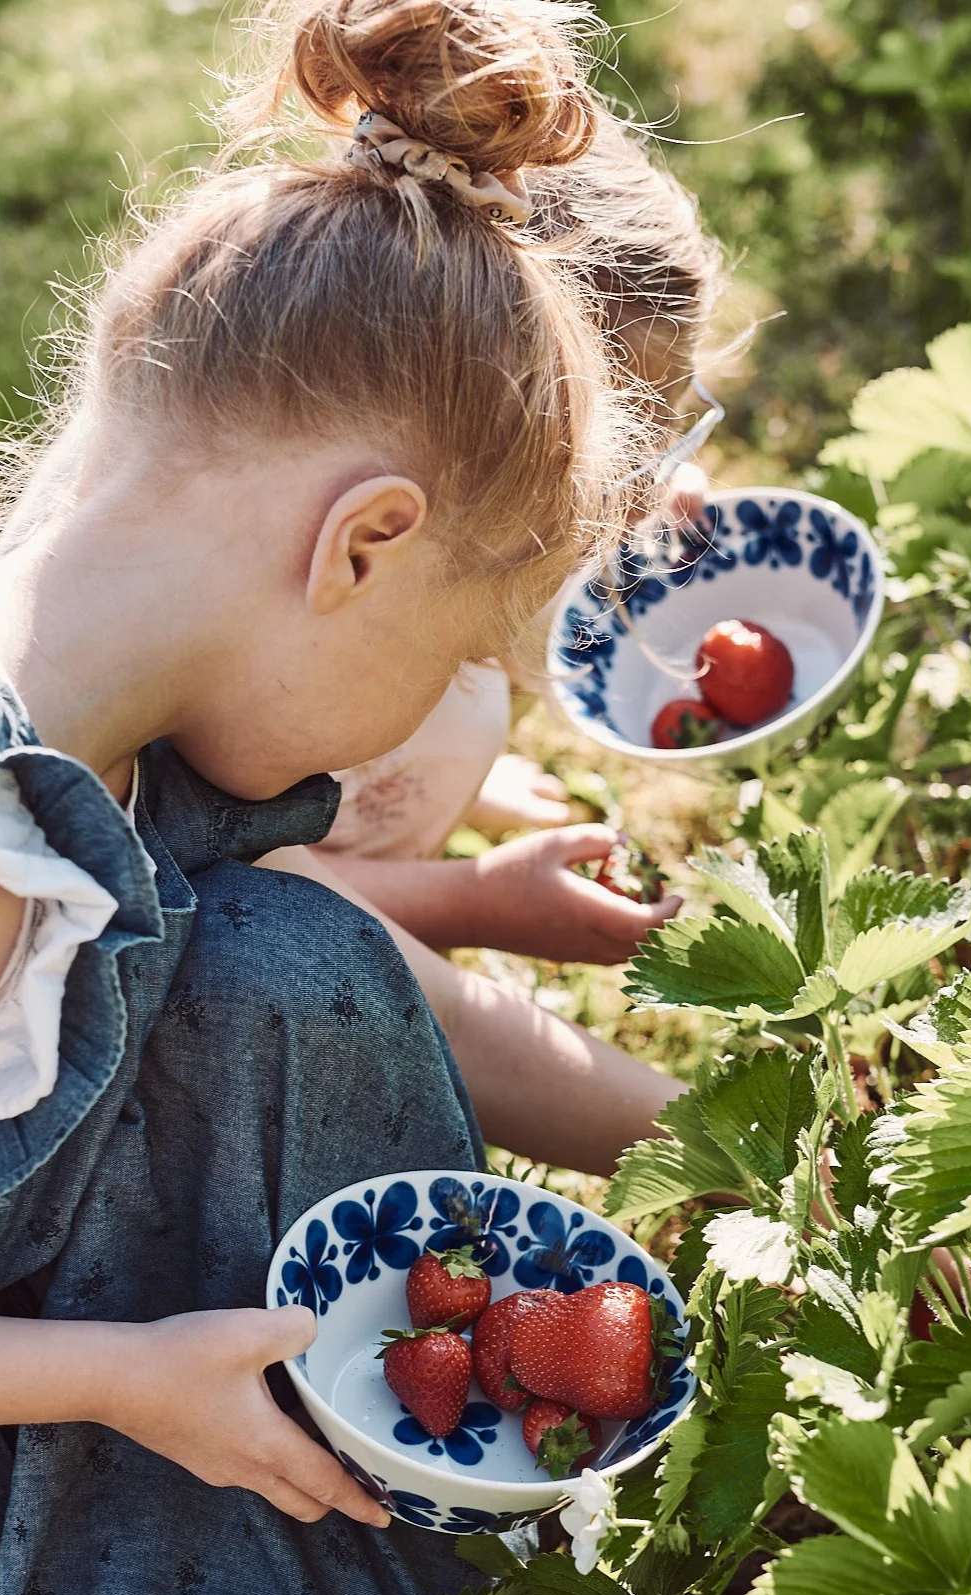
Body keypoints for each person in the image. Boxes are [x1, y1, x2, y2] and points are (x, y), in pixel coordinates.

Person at [0, 0, 683, 1595]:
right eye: (462, 655)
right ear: (360, 545)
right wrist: (120, 1376)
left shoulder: (101, 723)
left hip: (31, 1300)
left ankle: (386, 1514)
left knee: (283, 949)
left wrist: (694, 1133)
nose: (431, 722)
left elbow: (343, 971)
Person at [303, 111, 725, 967]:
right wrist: (475, 901)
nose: (646, 492)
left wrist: (633, 548)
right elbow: (233, 899)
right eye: (619, 462)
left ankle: (402, 792)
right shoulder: (290, 663)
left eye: (669, 435)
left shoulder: (442, 554)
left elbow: (525, 627)